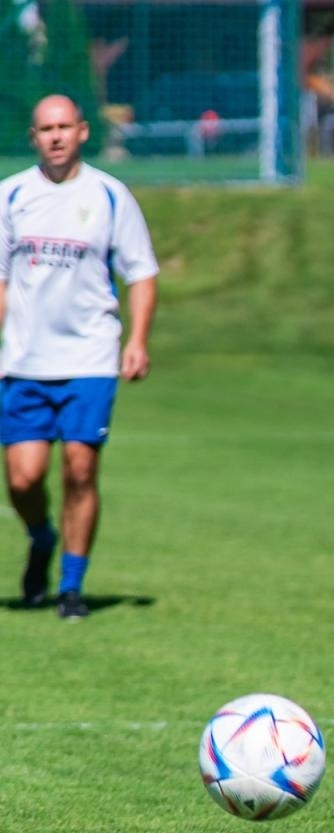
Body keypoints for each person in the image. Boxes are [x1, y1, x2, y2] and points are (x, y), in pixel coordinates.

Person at [0, 95, 158, 619]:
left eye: (65, 126)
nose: (57, 136)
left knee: (80, 468)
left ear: (84, 131)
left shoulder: (111, 196)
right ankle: (42, 538)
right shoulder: (11, 196)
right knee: (22, 480)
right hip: (24, 362)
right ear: (34, 137)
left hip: (90, 358)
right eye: (46, 128)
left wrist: (136, 341)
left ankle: (71, 587)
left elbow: (141, 273)